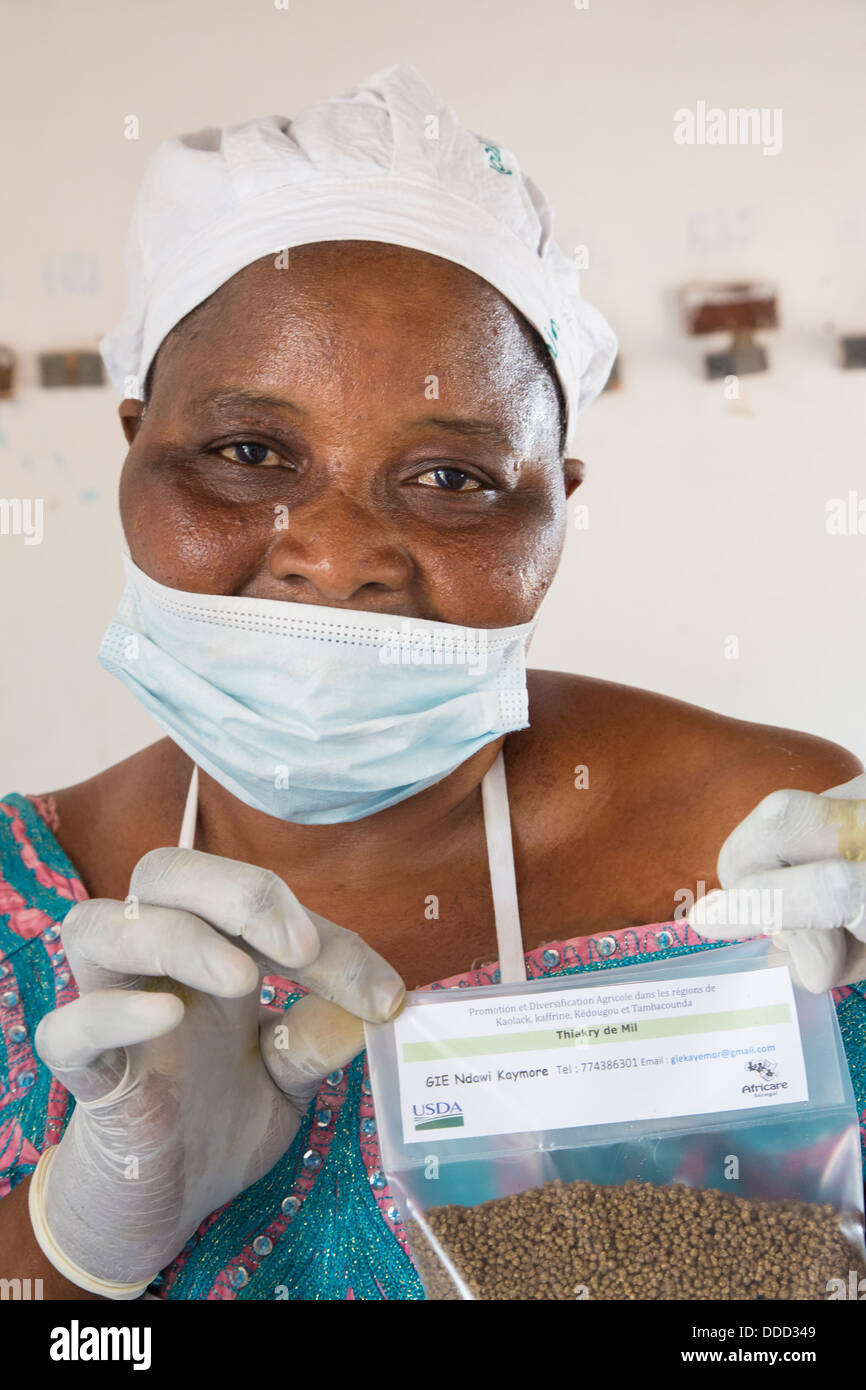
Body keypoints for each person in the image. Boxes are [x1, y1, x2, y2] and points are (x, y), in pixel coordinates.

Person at [1, 62, 865, 1302]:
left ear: (557, 508)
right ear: (136, 447)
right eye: (248, 453)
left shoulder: (765, 844)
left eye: (452, 480)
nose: (337, 555)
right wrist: (86, 1235)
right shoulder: (17, 907)